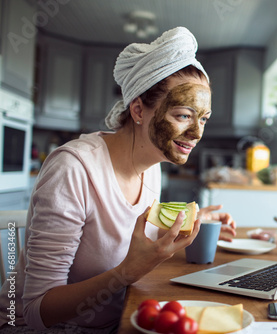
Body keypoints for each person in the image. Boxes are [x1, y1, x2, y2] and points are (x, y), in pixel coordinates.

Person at [0, 27, 236, 333]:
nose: (197, 133)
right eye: (183, 115)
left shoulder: (152, 165)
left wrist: (191, 219)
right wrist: (126, 273)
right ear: (138, 109)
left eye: (203, 118)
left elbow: (130, 237)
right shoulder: (73, 169)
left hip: (119, 318)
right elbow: (36, 311)